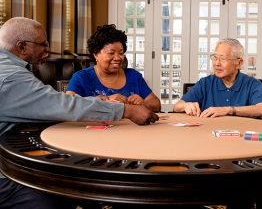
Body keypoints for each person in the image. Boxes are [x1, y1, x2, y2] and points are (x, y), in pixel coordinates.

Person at [0, 17, 159, 208]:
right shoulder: (11, 77)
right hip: (6, 176)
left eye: (121, 53)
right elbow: (63, 104)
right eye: (43, 44)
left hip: (14, 157)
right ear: (22, 47)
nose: (47, 50)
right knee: (62, 196)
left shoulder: (10, 67)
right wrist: (125, 110)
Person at [66, 24, 161, 112]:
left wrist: (142, 103)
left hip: (130, 129)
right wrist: (105, 100)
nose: (118, 58)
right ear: (95, 54)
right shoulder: (81, 78)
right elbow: (68, 106)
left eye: (121, 53)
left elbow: (156, 104)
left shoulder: (134, 76)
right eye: (111, 53)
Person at [173, 38, 262, 118]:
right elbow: (177, 106)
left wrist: (227, 110)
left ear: (239, 63)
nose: (217, 63)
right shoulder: (205, 83)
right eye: (215, 57)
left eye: (223, 59)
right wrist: (186, 105)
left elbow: (261, 109)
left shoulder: (253, 84)